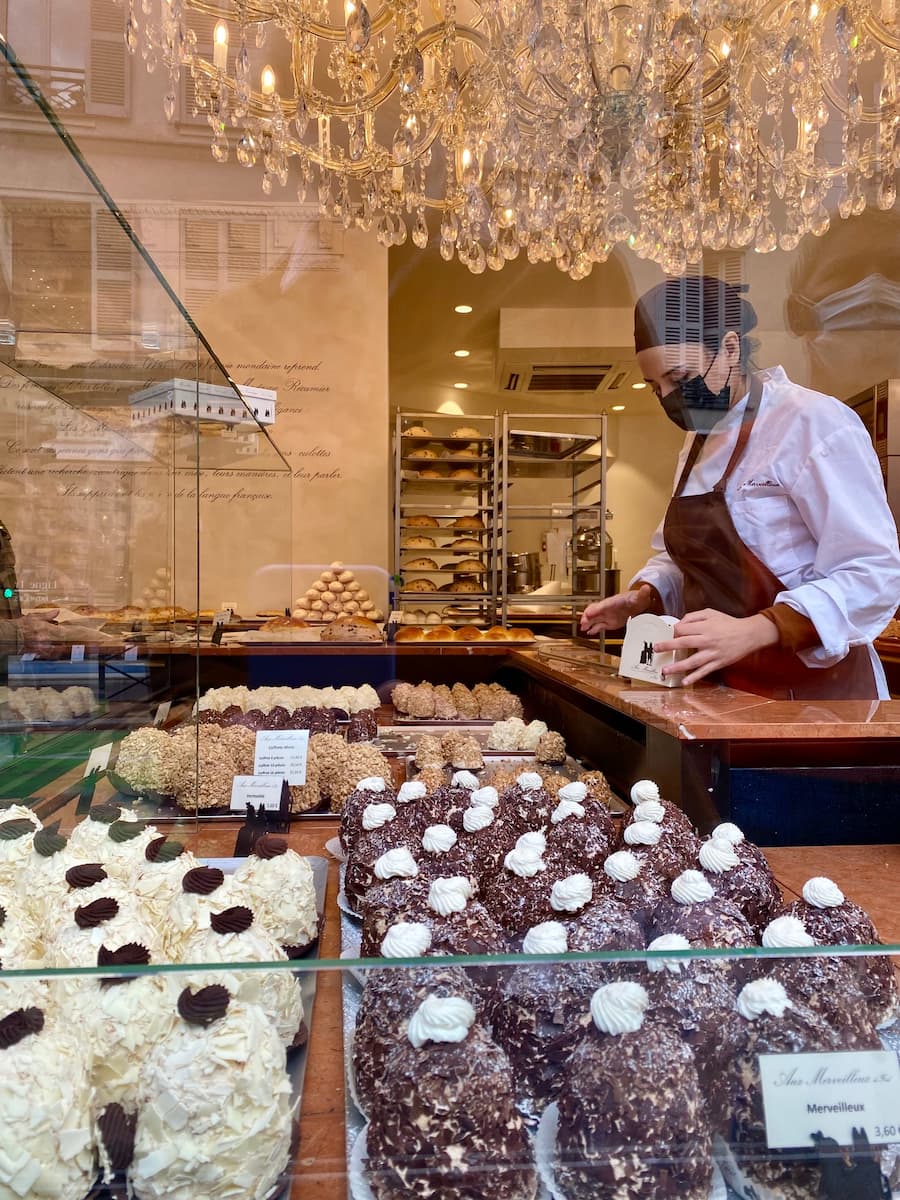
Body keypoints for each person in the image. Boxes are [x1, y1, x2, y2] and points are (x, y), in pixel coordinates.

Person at [580, 274, 900, 701]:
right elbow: (688, 561)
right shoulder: (697, 443)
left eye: (680, 376)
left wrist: (761, 628)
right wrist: (644, 596)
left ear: (731, 348)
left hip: (813, 694)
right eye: (657, 387)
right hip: (723, 687)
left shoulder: (813, 422)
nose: (671, 397)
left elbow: (873, 573)